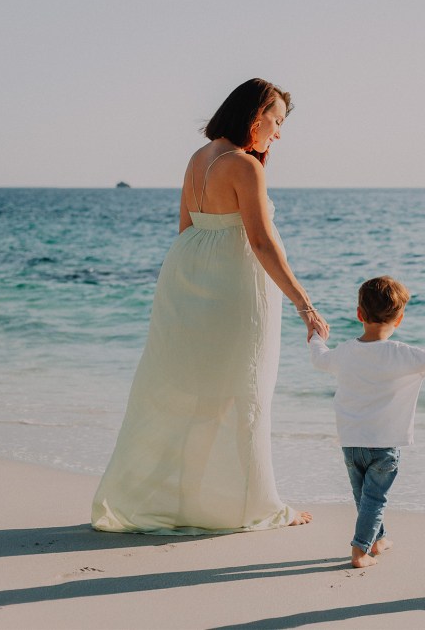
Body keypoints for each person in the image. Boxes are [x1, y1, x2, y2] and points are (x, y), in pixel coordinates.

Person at [92, 78, 328, 535]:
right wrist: (305, 305)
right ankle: (253, 506)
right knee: (245, 392)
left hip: (186, 281)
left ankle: (184, 500)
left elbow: (187, 229)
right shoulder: (244, 166)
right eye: (276, 122)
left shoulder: (198, 159)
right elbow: (260, 241)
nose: (278, 133)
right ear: (256, 114)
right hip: (235, 293)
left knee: (195, 393)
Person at [308, 276, 425, 567]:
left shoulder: (346, 352)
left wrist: (316, 337)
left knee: (365, 497)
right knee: (374, 499)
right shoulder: (402, 354)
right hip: (384, 445)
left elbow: (319, 360)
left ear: (360, 315)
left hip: (350, 443)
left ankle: (377, 540)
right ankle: (360, 551)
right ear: (399, 319)